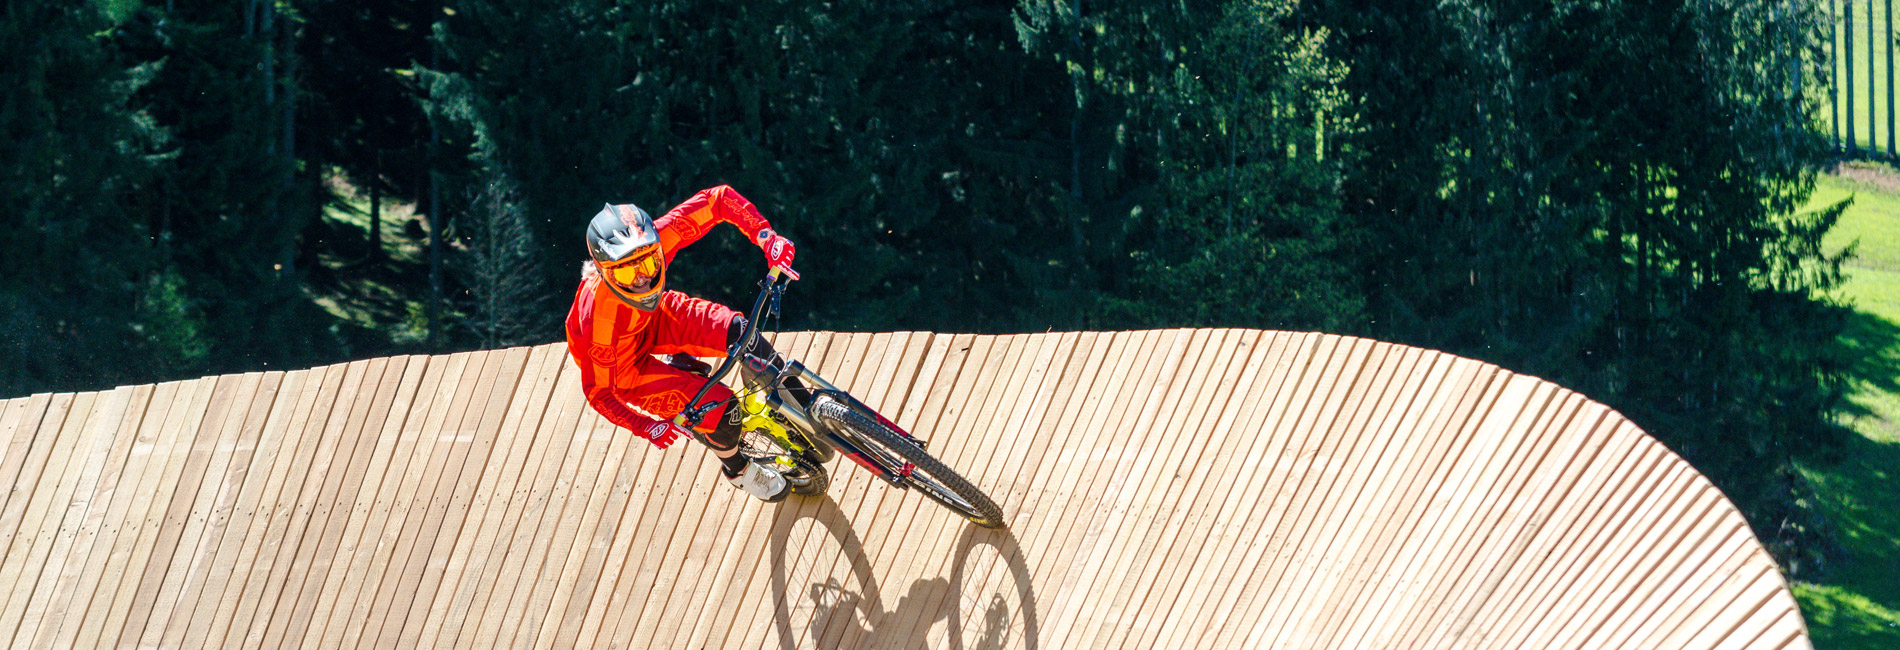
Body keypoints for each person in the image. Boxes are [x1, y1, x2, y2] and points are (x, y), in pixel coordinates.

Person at [564, 185, 799, 502]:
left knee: (741, 332)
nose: (642, 280)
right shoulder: (600, 321)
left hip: (656, 316)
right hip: (626, 368)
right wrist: (645, 426)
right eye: (628, 272)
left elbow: (717, 200)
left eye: (648, 264)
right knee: (723, 411)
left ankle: (791, 399)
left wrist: (766, 237)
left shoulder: (657, 241)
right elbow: (598, 392)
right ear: (605, 272)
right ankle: (738, 470)